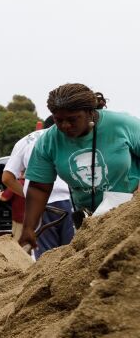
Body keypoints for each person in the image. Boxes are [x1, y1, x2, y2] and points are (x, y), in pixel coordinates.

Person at [20, 84, 140, 250]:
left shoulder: (124, 125)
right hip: (90, 222)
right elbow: (39, 187)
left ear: (90, 112)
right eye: (58, 120)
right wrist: (28, 227)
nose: (65, 126)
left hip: (131, 213)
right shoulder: (48, 141)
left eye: (72, 119)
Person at [3, 118, 74, 258]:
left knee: (45, 259)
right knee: (73, 255)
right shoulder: (70, 135)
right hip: (71, 202)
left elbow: (7, 178)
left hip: (42, 207)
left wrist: (30, 197)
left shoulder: (25, 141)